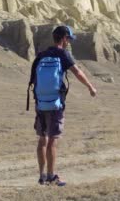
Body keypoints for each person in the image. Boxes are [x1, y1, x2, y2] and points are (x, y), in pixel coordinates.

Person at [28, 25, 97, 186]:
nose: (69, 43)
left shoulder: (41, 55)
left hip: (40, 103)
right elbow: (78, 72)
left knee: (42, 139)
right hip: (55, 104)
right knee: (53, 139)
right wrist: (90, 87)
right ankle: (51, 176)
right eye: (69, 39)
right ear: (64, 38)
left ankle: (42, 176)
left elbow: (32, 80)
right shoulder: (63, 54)